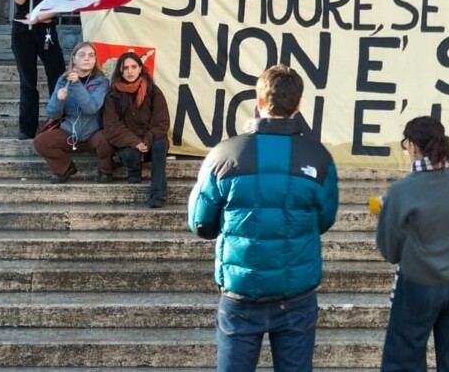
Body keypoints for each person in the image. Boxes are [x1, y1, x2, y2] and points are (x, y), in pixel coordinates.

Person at [188, 64, 339, 372]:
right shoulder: (318, 157)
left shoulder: (224, 154)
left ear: (258, 102)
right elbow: (325, 219)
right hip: (296, 292)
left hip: (241, 291)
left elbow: (200, 223)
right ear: (298, 105)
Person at [377, 116, 449, 372]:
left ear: (412, 147)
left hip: (417, 287)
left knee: (404, 362)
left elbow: (390, 251)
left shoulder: (402, 191)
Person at [32, 40, 113, 183]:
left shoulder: (101, 82)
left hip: (93, 134)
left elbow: (91, 108)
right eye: (82, 55)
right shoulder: (63, 80)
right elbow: (53, 114)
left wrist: (75, 84)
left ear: (95, 60)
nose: (86, 58)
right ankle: (64, 169)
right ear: (74, 59)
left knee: (107, 138)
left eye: (91, 55)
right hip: (69, 133)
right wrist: (58, 100)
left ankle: (105, 170)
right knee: (41, 142)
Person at [10, 0, 67, 139]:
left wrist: (38, 17)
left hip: (46, 31)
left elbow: (59, 8)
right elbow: (19, 1)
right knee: (28, 81)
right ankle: (27, 128)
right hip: (22, 33)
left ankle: (56, 123)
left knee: (57, 76)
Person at [102, 51, 170, 209]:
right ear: (120, 70)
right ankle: (134, 169)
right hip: (129, 143)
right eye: (126, 68)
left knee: (160, 145)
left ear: (140, 68)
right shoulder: (113, 95)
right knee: (129, 154)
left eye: (134, 67)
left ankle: (157, 193)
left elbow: (162, 121)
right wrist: (135, 142)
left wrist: (147, 140)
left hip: (151, 141)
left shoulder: (153, 91)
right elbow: (112, 126)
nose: (130, 71)